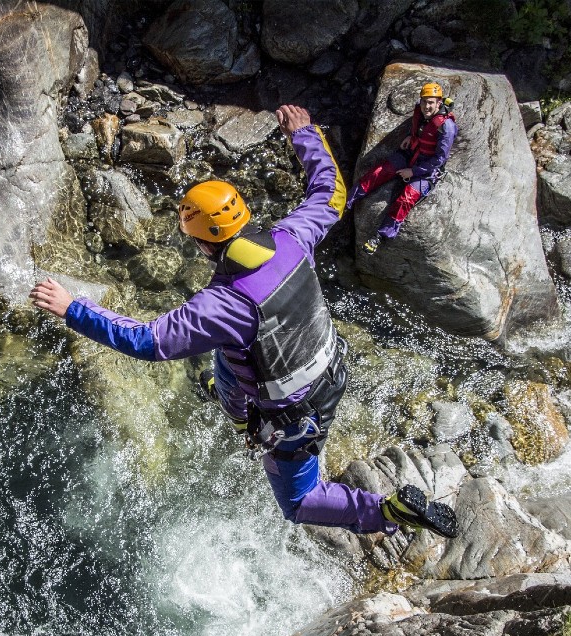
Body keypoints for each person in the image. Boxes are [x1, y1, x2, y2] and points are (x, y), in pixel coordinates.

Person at [30, 104, 458, 540]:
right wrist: (305, 134)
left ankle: (387, 511)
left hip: (294, 415)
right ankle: (233, 404)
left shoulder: (223, 305)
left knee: (299, 502)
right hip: (331, 370)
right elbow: (329, 193)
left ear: (200, 243)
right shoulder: (293, 236)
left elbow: (146, 341)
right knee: (228, 357)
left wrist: (72, 308)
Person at [347, 82, 457, 255]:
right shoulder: (421, 111)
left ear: (439, 103)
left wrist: (413, 172)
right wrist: (409, 136)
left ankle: (381, 236)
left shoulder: (446, 127)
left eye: (431, 102)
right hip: (410, 154)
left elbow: (439, 160)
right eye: (424, 102)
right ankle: (347, 202)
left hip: (426, 170)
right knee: (378, 172)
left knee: (406, 198)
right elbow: (419, 128)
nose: (427, 106)